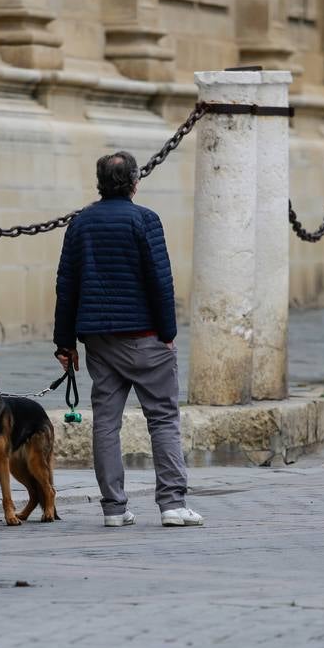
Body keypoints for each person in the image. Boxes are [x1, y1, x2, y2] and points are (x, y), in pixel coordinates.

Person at [53, 151, 204, 528]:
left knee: (106, 422)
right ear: (135, 182)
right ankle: (171, 504)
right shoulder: (145, 220)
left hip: (100, 342)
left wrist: (64, 342)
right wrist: (168, 334)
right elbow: (160, 282)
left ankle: (114, 509)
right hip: (146, 337)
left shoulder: (80, 224)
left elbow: (66, 287)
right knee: (164, 418)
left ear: (100, 183)